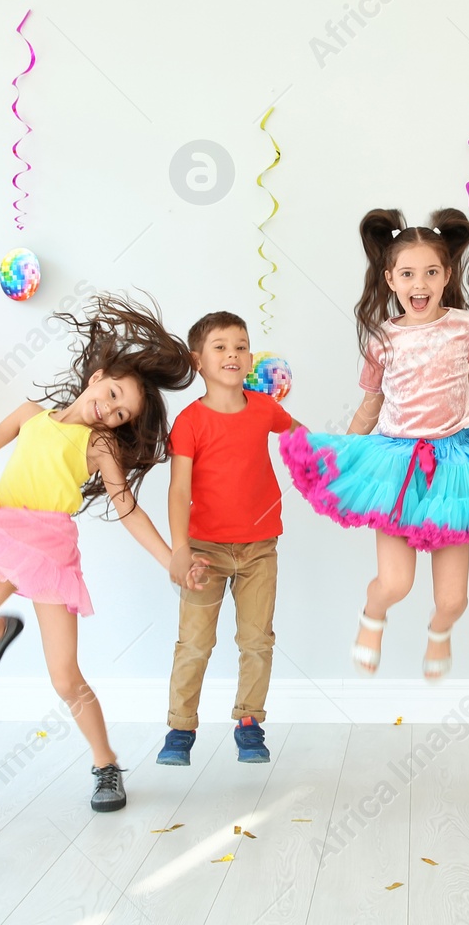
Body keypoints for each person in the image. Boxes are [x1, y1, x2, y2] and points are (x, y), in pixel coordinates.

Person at [0, 294, 195, 812]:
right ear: (96, 376)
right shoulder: (30, 415)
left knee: (65, 676)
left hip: (51, 551)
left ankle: (105, 765)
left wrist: (170, 556)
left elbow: (128, 509)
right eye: (111, 393)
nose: (109, 408)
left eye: (121, 412)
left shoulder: (100, 446)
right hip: (2, 536)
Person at [280, 208, 469, 680]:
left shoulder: (464, 326)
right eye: (407, 274)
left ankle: (440, 631)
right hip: (397, 464)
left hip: (458, 459)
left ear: (447, 275)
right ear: (390, 279)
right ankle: (372, 617)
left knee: (453, 598)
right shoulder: (382, 338)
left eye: (431, 272)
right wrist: (344, 455)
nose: (420, 284)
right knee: (396, 582)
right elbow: (370, 405)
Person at [157, 312, 298, 768]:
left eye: (240, 346)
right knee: (195, 642)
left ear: (251, 357)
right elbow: (179, 489)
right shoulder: (190, 421)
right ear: (199, 360)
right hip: (204, 553)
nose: (232, 354)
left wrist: (340, 457)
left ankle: (249, 722)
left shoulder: (265, 409)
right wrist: (180, 549)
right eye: (220, 346)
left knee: (257, 640)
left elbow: (302, 441)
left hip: (260, 549)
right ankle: (180, 727)